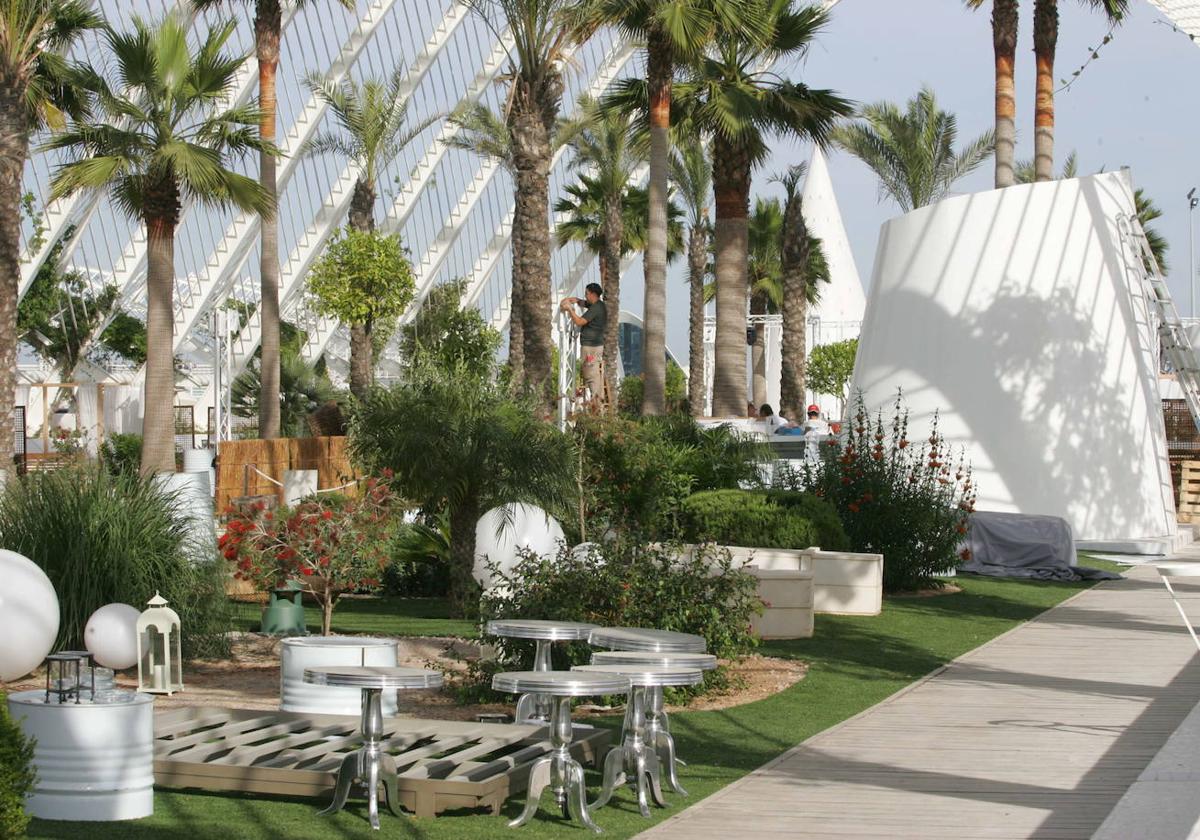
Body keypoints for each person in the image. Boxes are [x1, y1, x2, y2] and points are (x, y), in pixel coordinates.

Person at [560, 283, 607, 407]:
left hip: (591, 349)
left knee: (591, 374)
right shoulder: (598, 305)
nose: (585, 296)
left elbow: (580, 321)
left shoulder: (596, 309)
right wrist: (575, 300)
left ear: (593, 294)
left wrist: (570, 309)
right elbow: (584, 303)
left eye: (586, 293)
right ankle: (596, 400)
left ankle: (596, 403)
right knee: (591, 372)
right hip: (593, 347)